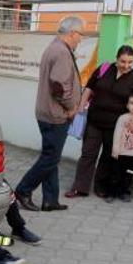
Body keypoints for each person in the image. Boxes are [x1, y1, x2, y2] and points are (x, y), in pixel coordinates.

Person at [15, 16, 85, 212]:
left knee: (51, 157)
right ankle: (23, 190)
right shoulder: (62, 52)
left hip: (48, 112)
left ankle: (50, 200)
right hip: (56, 115)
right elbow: (59, 87)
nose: (81, 39)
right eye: (80, 35)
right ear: (72, 33)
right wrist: (72, 107)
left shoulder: (55, 47)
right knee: (50, 159)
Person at [65, 45, 133, 200]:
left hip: (116, 126)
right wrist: (80, 107)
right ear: (116, 58)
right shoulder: (104, 68)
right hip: (94, 121)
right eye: (123, 61)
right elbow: (90, 88)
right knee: (88, 154)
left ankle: (101, 187)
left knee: (107, 156)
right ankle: (79, 188)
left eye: (130, 62)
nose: (126, 65)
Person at [109, 91, 133, 202]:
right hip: (121, 153)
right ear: (127, 105)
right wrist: (115, 148)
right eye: (132, 103)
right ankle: (112, 193)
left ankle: (124, 192)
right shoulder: (123, 118)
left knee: (129, 173)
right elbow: (117, 133)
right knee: (116, 174)